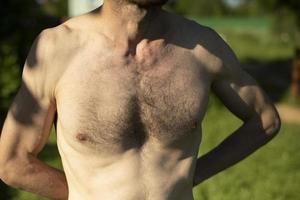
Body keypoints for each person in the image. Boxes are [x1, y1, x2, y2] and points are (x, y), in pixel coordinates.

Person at [0, 0, 281, 199]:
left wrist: (195, 173)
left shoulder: (202, 45)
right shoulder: (58, 49)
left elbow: (265, 120)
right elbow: (12, 162)